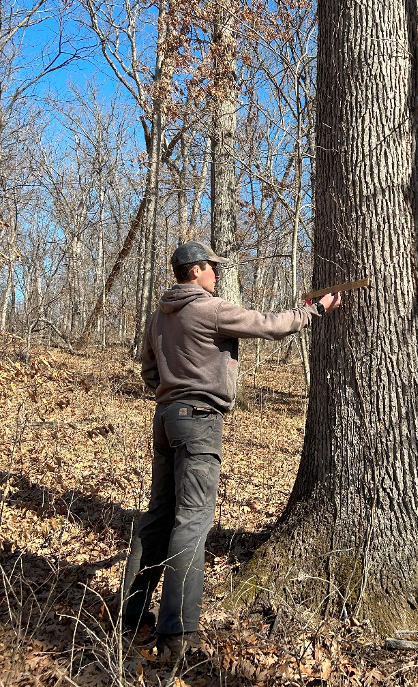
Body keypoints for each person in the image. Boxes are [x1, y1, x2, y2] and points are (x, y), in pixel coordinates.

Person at [121, 241, 341, 654]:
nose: (217, 275)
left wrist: (169, 395)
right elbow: (270, 325)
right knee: (192, 520)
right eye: (212, 268)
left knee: (159, 516)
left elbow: (150, 369)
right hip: (199, 421)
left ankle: (130, 614)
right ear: (195, 271)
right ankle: (178, 631)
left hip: (166, 417)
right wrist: (316, 310)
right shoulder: (211, 308)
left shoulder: (158, 316)